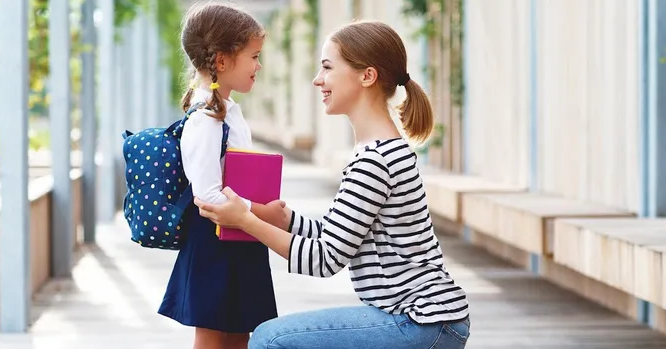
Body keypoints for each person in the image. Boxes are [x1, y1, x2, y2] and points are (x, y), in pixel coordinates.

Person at [194, 20, 471, 349]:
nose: (318, 80)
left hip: (419, 322)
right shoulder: (381, 150)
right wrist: (286, 220)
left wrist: (245, 221)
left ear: (367, 76)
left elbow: (324, 259)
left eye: (327, 68)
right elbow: (340, 234)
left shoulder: (374, 161)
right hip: (430, 319)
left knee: (271, 339)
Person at [158, 0, 286, 349]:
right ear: (222, 61)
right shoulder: (205, 120)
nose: (258, 65)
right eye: (253, 56)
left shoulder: (226, 111)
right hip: (215, 240)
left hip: (238, 236)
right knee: (213, 333)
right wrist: (264, 214)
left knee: (239, 332)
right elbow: (208, 196)